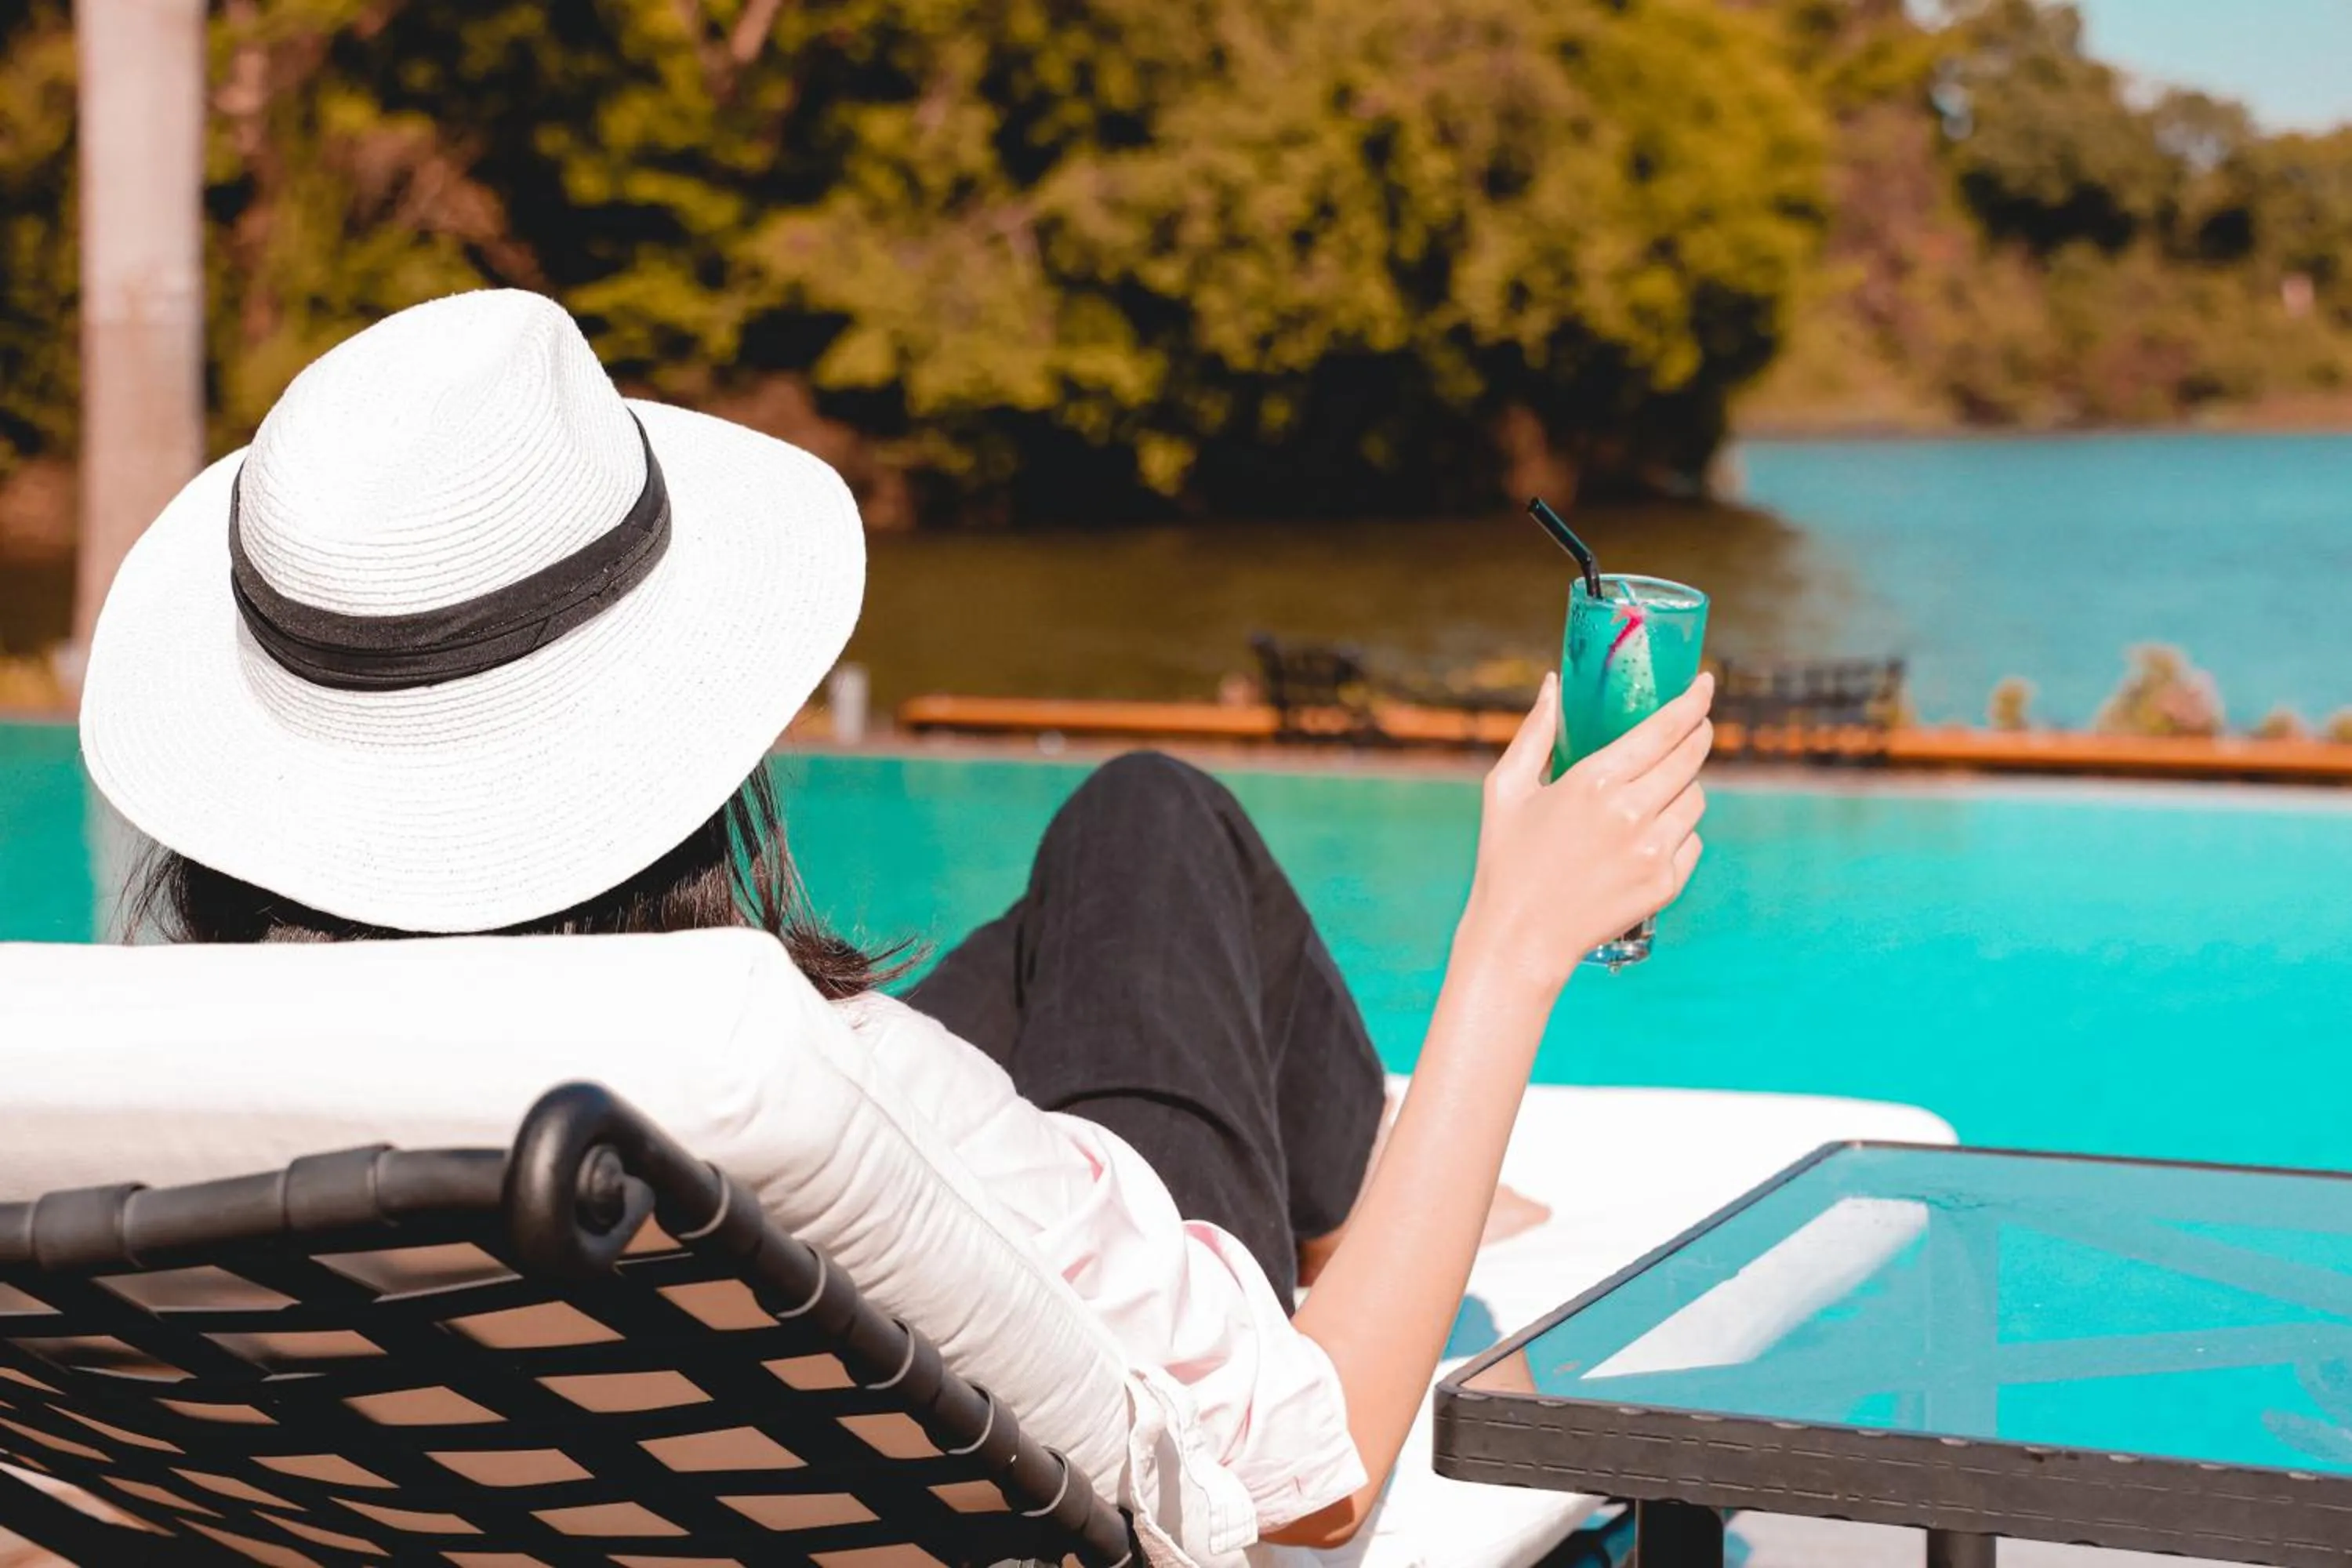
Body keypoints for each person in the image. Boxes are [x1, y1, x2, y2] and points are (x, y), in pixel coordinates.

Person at [78, 290, 1711, 1552]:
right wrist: (1518, 933)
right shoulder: (809, 1085)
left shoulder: (138, 1119)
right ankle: (1363, 1207)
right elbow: (1319, 1468)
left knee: (1076, 913)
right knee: (1150, 828)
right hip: (965, 1341)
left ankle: (1355, 1176)